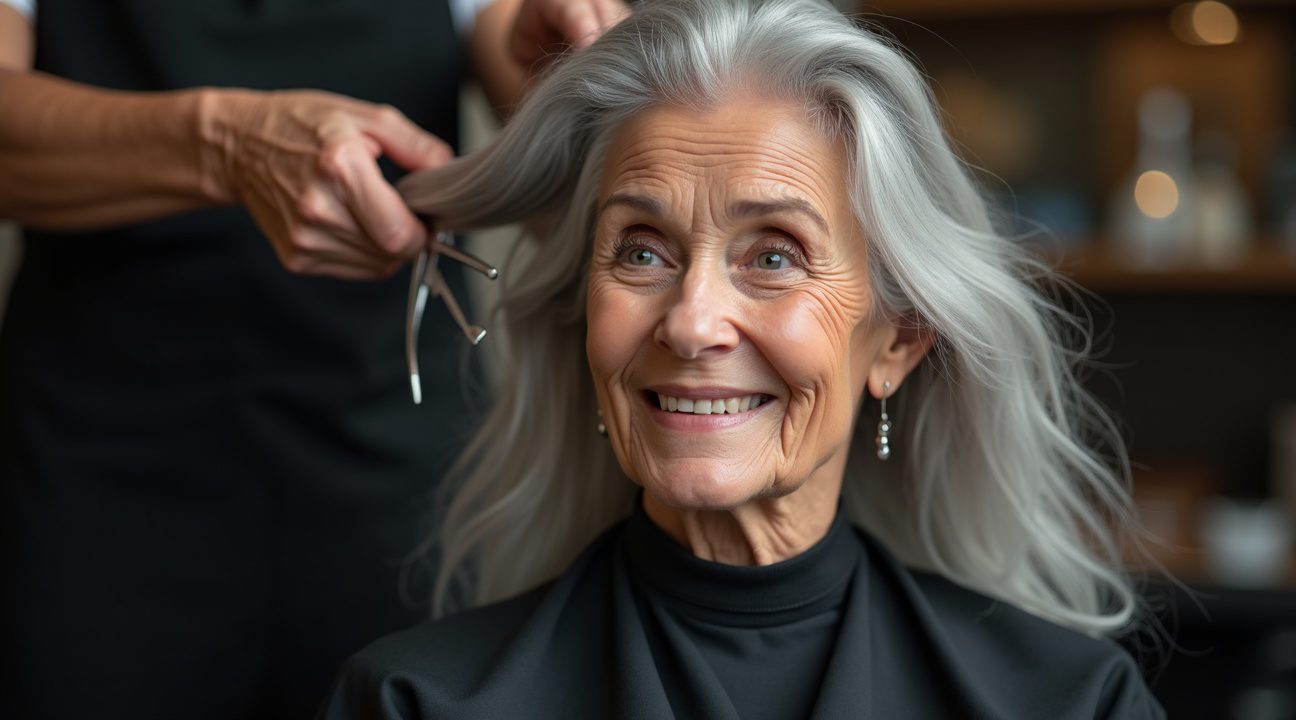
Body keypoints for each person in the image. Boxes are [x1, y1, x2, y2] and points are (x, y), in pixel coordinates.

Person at [319, 0, 1166, 717]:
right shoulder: (415, 703)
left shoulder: (1074, 703)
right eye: (641, 251)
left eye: (774, 256)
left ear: (899, 341)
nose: (692, 324)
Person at [0, 0, 625, 718]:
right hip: (98, 470)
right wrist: (224, 145)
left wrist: (556, 80)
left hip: (396, 465)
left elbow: (561, 190)